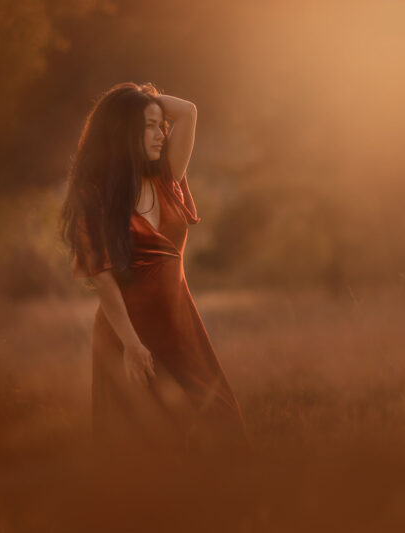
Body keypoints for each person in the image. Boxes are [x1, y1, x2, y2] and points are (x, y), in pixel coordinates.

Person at [59, 82, 252, 464]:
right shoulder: (94, 194)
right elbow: (102, 276)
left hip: (180, 326)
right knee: (138, 449)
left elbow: (190, 111)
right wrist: (131, 345)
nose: (162, 133)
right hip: (126, 335)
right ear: (126, 130)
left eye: (162, 126)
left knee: (223, 425)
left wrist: (145, 101)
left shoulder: (167, 177)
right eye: (150, 126)